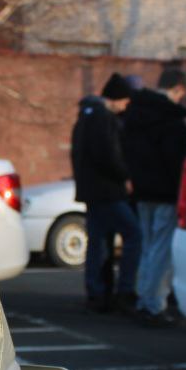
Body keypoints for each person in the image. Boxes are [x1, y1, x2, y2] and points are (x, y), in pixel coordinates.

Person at [122, 68, 186, 327]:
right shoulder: (172, 121)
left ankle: (145, 299)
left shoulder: (136, 115)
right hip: (167, 193)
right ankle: (154, 304)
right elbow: (176, 162)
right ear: (179, 89)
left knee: (148, 247)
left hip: (142, 191)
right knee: (162, 251)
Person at [70, 73, 141, 313]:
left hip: (92, 191)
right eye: (125, 100)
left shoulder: (86, 117)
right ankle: (124, 289)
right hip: (108, 191)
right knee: (134, 234)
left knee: (97, 242)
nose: (126, 106)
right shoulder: (104, 118)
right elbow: (108, 155)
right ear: (117, 98)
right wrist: (125, 176)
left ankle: (96, 291)